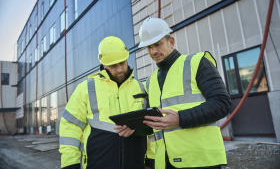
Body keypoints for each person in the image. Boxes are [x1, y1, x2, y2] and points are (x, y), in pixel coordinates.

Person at [138, 17, 231, 169]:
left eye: (157, 44)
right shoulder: (151, 81)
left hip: (200, 161)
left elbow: (222, 103)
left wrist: (180, 118)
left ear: (171, 42)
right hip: (165, 163)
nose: (153, 51)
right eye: (148, 47)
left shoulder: (197, 63)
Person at [59, 36, 148, 169]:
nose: (119, 69)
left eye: (122, 63)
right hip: (97, 164)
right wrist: (70, 164)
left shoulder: (141, 87)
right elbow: (70, 127)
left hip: (136, 164)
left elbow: (151, 126)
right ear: (103, 63)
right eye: (113, 65)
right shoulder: (86, 88)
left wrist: (151, 160)